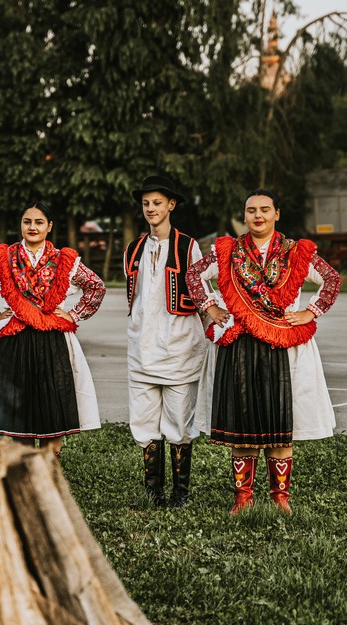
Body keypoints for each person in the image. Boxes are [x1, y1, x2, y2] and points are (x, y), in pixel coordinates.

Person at [186, 189, 341, 515]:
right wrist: (211, 309)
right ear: (244, 216)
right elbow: (193, 275)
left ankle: (279, 497)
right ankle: (243, 497)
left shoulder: (295, 251)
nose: (258, 215)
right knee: (242, 428)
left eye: (265, 210)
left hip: (280, 346)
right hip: (239, 346)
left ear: (277, 214)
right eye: (251, 210)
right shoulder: (228, 251)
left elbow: (331, 279)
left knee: (279, 426)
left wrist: (309, 312)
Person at [0, 201, 105, 459]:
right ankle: (26, 478)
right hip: (14, 342)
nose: (32, 227)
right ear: (20, 224)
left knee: (53, 414)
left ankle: (51, 475)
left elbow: (96, 286)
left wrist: (73, 314)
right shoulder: (3, 258)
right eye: (27, 221)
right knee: (20, 420)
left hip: (53, 341)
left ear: (49, 227)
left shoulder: (63, 260)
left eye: (39, 222)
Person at [123, 175, 211, 508]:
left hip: (179, 350)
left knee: (178, 423)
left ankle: (181, 494)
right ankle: (153, 492)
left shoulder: (189, 247)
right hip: (141, 351)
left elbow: (203, 293)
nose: (150, 209)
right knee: (145, 424)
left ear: (171, 205)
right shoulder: (133, 250)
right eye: (146, 203)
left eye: (157, 202)